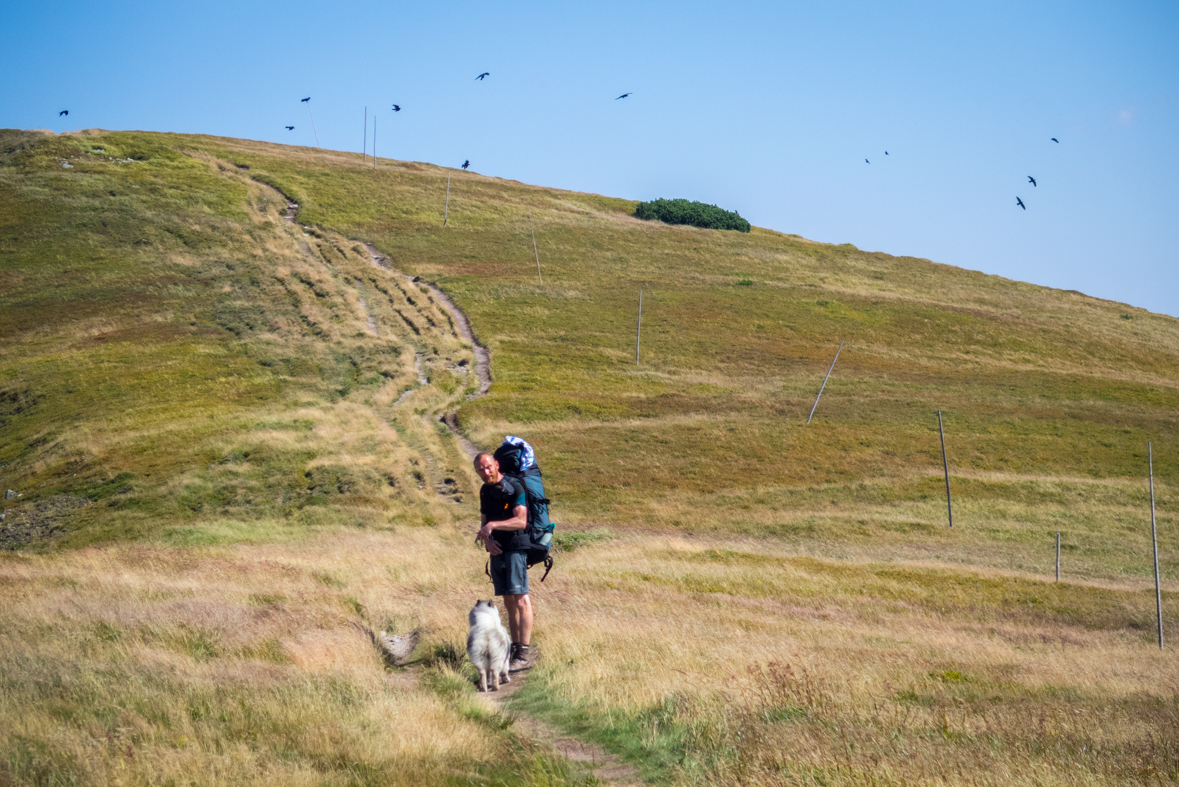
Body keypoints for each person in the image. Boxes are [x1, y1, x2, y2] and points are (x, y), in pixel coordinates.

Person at [473, 451, 535, 671]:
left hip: (516, 547)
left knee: (521, 599)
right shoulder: (484, 491)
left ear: (496, 464)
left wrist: (494, 526)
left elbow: (521, 520)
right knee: (509, 602)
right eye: (480, 469)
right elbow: (484, 523)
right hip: (497, 551)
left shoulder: (515, 486)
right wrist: (488, 541)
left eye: (488, 467)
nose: (485, 472)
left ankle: (524, 653)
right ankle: (515, 651)